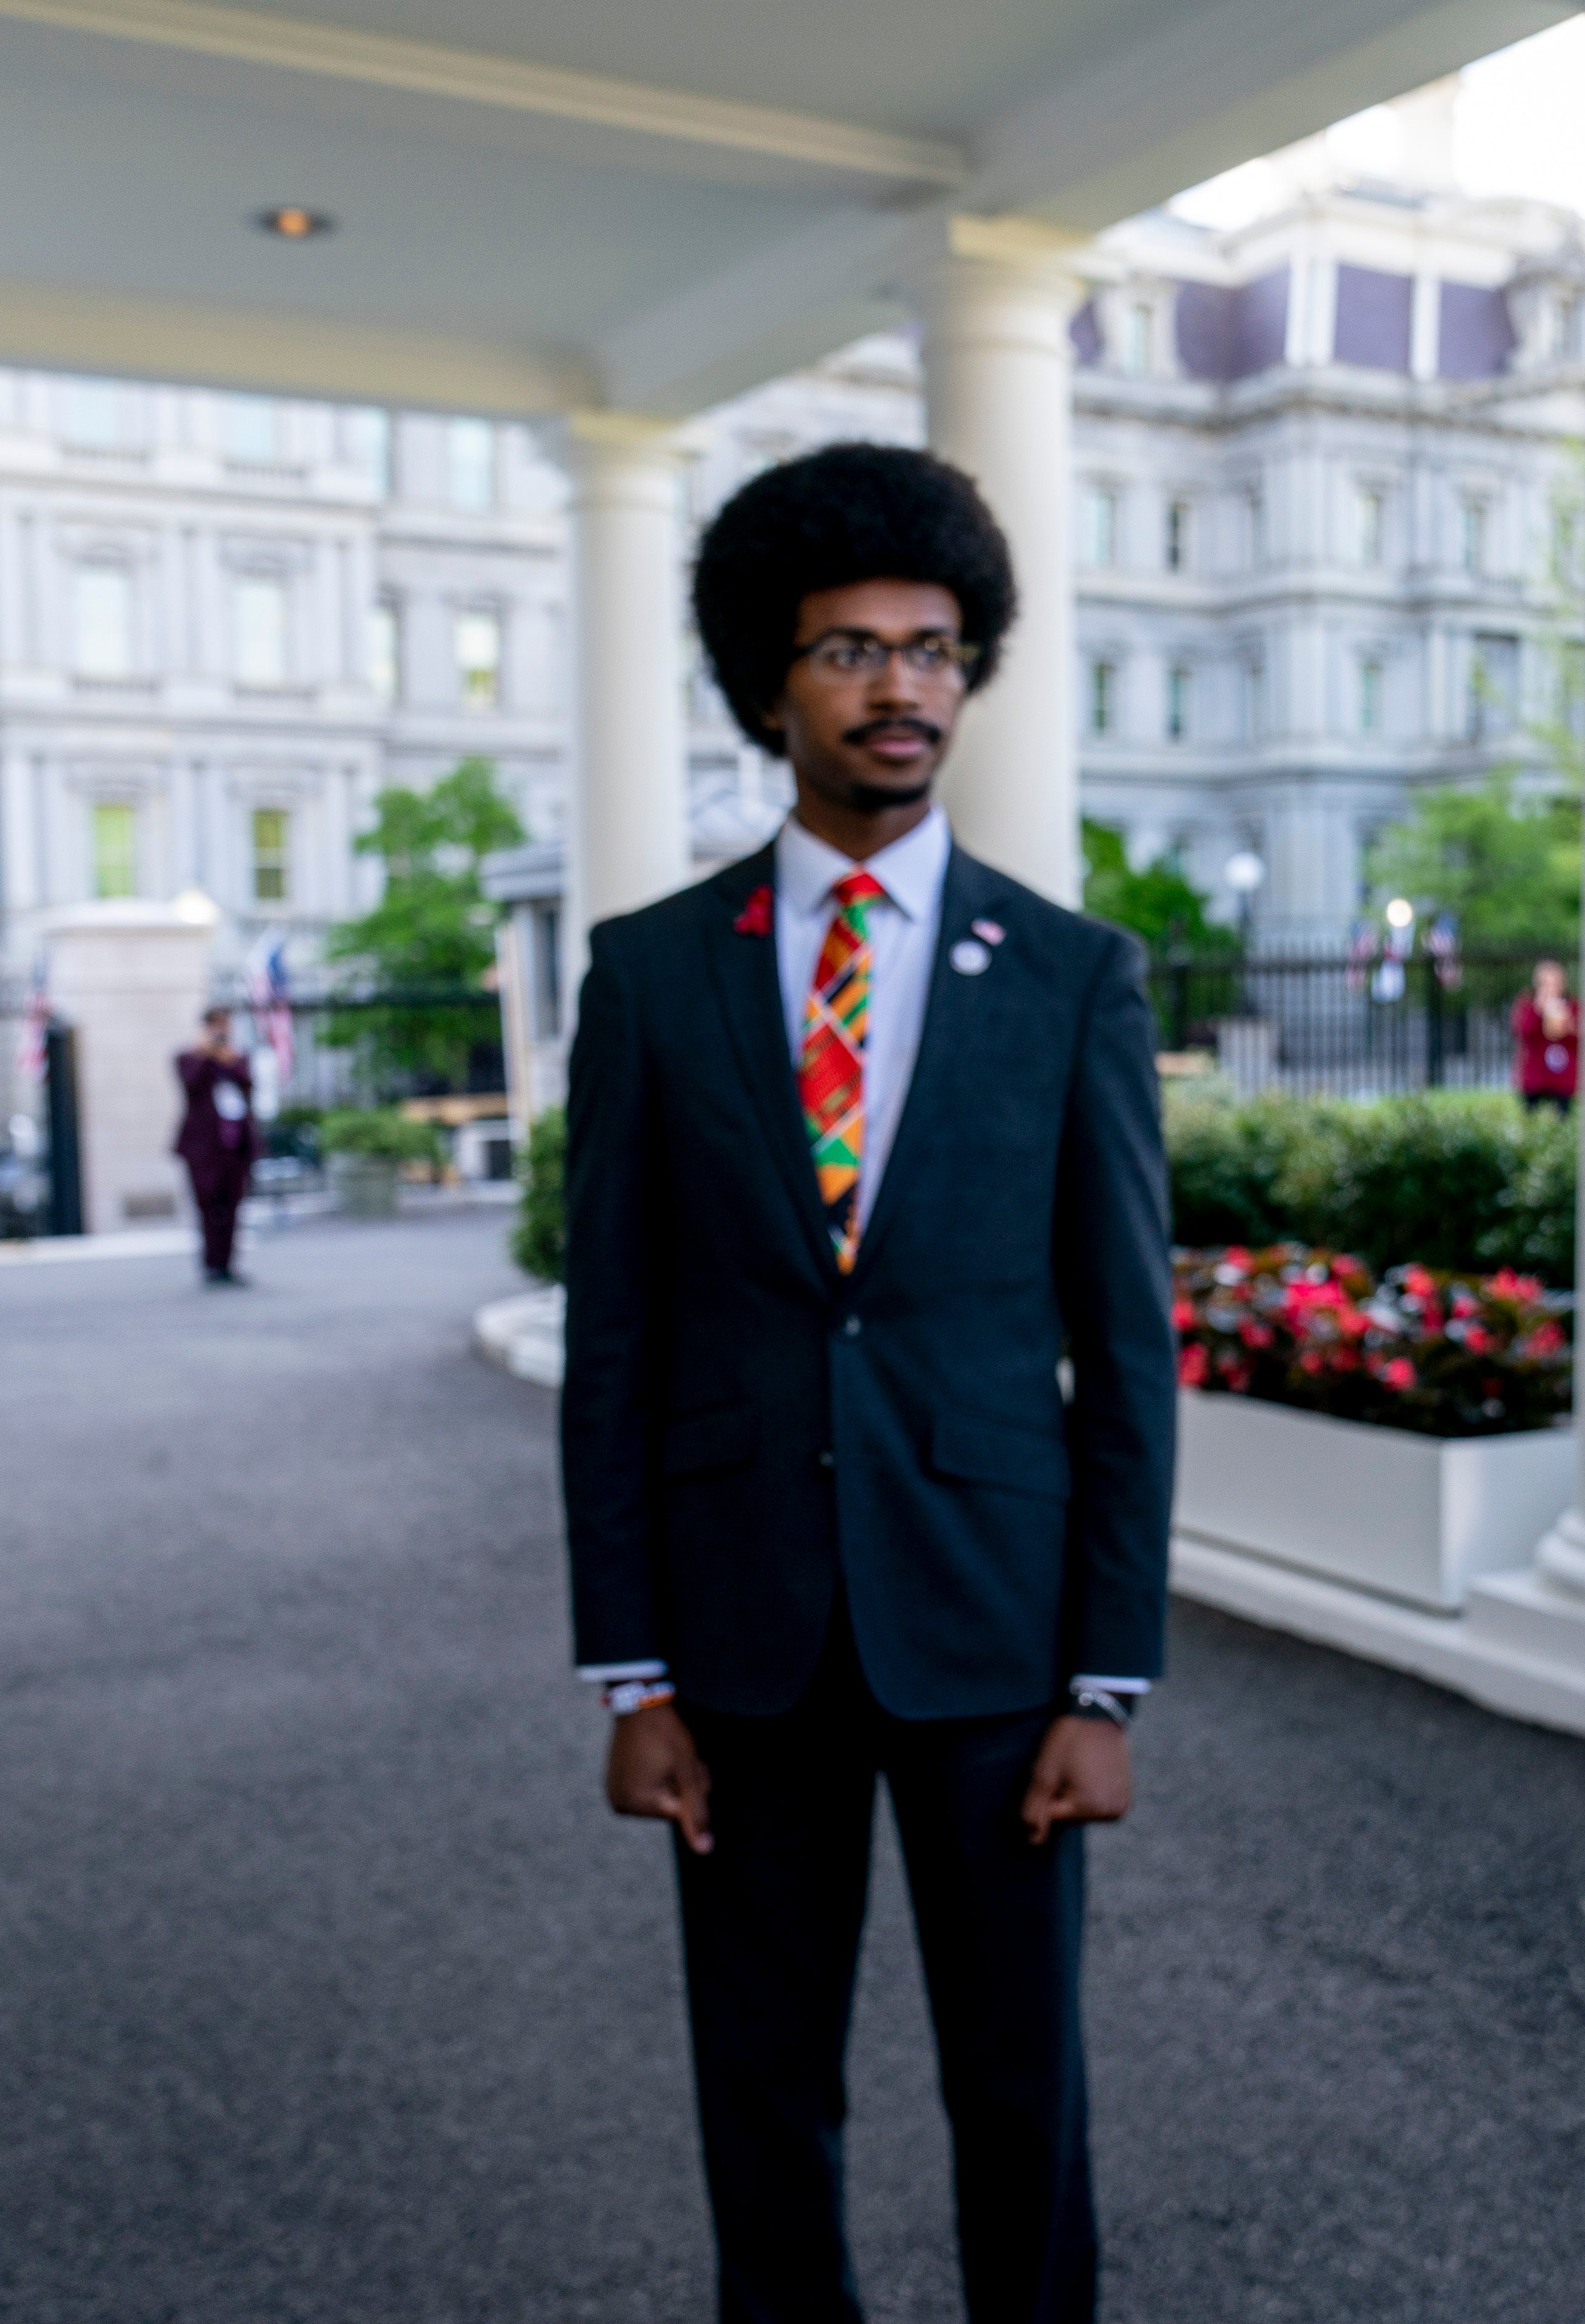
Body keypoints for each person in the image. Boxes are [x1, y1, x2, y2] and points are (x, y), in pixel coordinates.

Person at [557, 442, 1175, 2324]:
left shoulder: (1072, 977)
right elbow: (617, 1343)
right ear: (770, 682)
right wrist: (633, 1669)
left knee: (1020, 2086)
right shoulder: (651, 977)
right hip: (742, 1640)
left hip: (993, 1634)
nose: (899, 685)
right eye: (850, 650)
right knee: (759, 2082)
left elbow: (1127, 1340)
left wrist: (1103, 1675)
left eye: (931, 647)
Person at [171, 1006, 257, 1286]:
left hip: (234, 1147)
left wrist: (227, 1060)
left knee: (233, 1206)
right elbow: (189, 1084)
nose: (222, 1033)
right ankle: (212, 1264)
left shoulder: (236, 1058)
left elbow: (248, 1083)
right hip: (203, 1150)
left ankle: (228, 1264)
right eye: (216, 1027)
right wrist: (205, 1053)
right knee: (208, 1206)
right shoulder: (189, 1058)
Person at [1512, 959, 1579, 1115]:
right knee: (1530, 1114)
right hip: (1535, 1076)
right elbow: (1523, 1032)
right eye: (1545, 984)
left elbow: (1580, 1037)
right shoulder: (1528, 1005)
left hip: (1564, 1077)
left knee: (1564, 1115)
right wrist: (1538, 1010)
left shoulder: (1573, 1006)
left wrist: (1566, 1023)